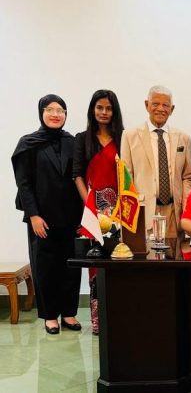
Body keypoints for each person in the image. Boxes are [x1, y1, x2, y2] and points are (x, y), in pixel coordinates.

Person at [11, 95, 83, 335]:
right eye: (50, 109)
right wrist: (33, 215)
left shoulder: (72, 142)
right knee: (45, 267)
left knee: (71, 266)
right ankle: (50, 316)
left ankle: (69, 314)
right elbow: (23, 183)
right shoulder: (28, 143)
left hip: (71, 216)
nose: (55, 114)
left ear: (66, 115)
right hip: (41, 218)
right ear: (41, 113)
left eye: (60, 110)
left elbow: (80, 177)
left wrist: (84, 217)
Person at [120, 85, 191, 260]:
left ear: (172, 109)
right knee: (148, 262)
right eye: (155, 104)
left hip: (173, 211)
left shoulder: (183, 137)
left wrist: (187, 207)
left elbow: (187, 176)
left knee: (174, 261)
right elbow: (126, 176)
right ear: (147, 105)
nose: (160, 109)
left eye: (165, 105)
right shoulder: (130, 135)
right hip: (145, 211)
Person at [73, 89, 124, 335]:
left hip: (120, 211)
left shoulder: (124, 138)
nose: (104, 112)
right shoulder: (82, 139)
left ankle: (120, 317)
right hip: (93, 211)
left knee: (121, 261)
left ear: (115, 111)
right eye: (99, 107)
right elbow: (77, 175)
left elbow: (129, 174)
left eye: (108, 108)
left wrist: (120, 208)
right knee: (96, 264)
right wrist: (91, 207)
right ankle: (98, 321)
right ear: (92, 110)